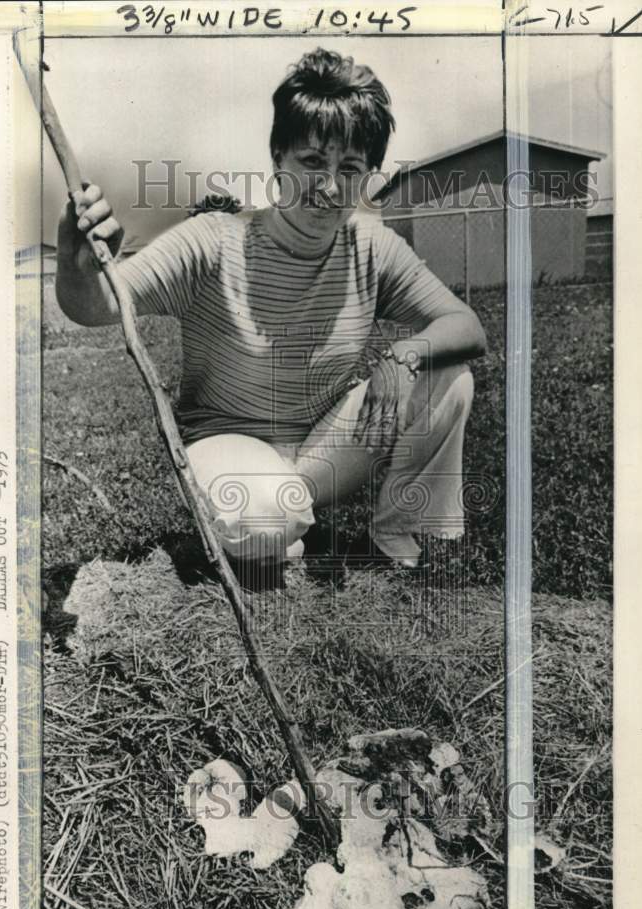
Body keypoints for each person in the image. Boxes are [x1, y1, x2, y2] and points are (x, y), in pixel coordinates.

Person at [56, 48, 486, 571]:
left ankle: (395, 542)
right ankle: (270, 525)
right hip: (228, 446)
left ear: (369, 175)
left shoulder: (372, 247)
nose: (330, 187)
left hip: (323, 450)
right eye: (312, 162)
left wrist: (403, 356)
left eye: (350, 168)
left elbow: (466, 326)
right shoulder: (213, 242)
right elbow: (100, 306)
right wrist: (76, 260)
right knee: (261, 518)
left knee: (448, 376)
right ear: (278, 158)